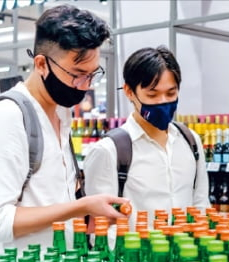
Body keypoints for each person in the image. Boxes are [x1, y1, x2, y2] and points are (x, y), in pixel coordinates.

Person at [0, 4, 128, 256]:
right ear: (41, 64)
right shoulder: (7, 117)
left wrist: (90, 217)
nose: (84, 86)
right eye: (77, 74)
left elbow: (48, 205)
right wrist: (79, 207)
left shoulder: (60, 114)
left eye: (92, 75)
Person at [83, 46, 209, 229]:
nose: (163, 101)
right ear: (129, 92)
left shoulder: (190, 142)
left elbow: (201, 204)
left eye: (171, 93)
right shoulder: (109, 151)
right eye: (152, 94)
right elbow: (101, 227)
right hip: (134, 255)